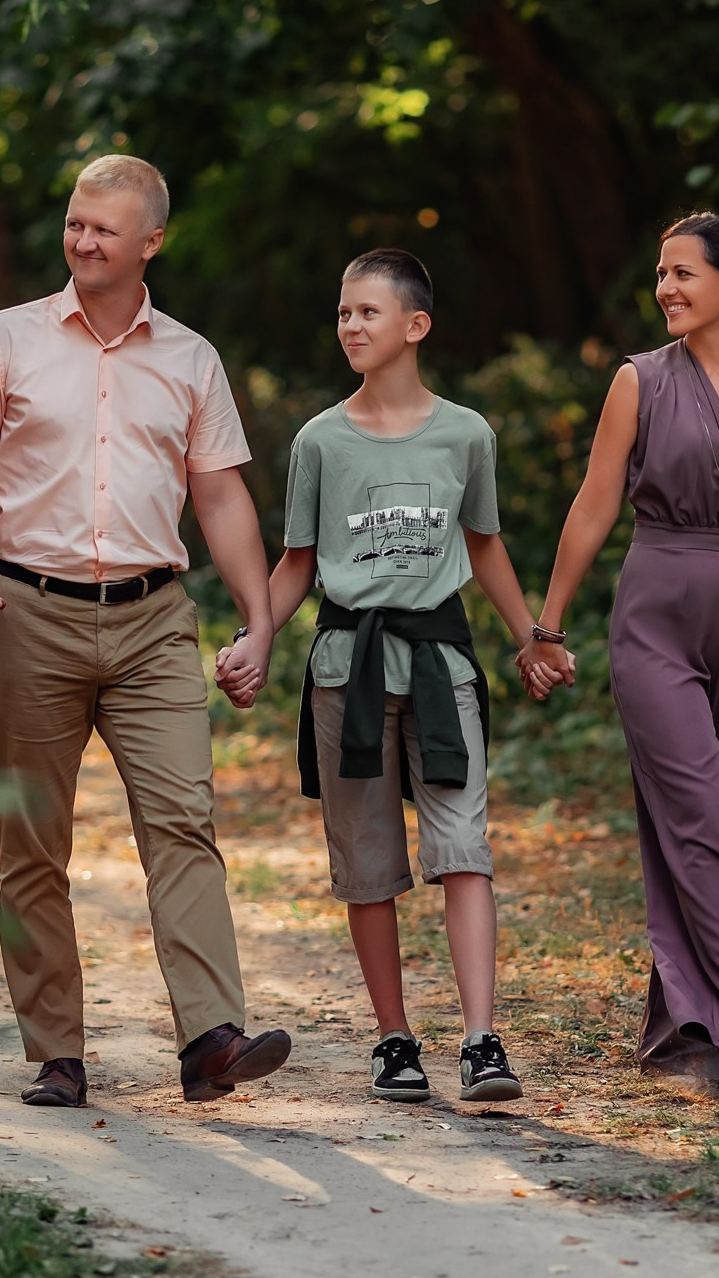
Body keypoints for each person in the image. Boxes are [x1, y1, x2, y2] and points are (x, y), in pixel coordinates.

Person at [0, 154, 292, 1109]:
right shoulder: (7, 339)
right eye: (74, 222)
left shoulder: (189, 358)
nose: (83, 240)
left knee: (184, 823)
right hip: (28, 614)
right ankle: (57, 1051)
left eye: (104, 228)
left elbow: (219, 495)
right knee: (33, 842)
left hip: (154, 624)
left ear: (151, 243)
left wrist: (258, 623)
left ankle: (211, 1038)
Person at [521, 211, 719, 1106]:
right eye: (658, 274)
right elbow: (591, 507)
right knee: (696, 817)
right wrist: (546, 626)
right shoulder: (639, 381)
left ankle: (683, 1025)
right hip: (656, 607)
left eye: (681, 273)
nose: (664, 289)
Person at [240, 249, 547, 1103]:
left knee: (464, 851)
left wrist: (531, 636)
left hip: (442, 667)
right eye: (342, 313)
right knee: (368, 863)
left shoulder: (465, 433)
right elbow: (297, 561)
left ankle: (482, 1040)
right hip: (349, 671)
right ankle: (394, 1038)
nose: (349, 326)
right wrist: (256, 638)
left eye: (367, 313)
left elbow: (483, 543)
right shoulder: (318, 440)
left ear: (415, 325)